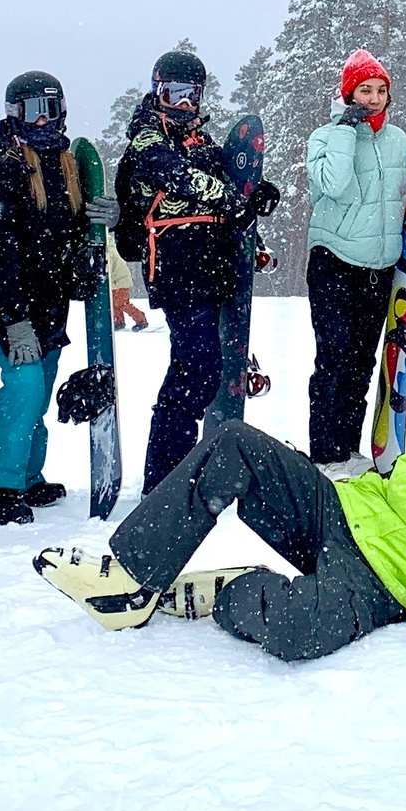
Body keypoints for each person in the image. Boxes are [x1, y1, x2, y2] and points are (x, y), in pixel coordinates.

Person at [32, 347, 406, 660]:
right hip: (348, 510)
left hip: (391, 582)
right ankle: (134, 577)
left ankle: (238, 590)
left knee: (294, 630)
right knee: (234, 442)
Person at [116, 50, 277, 489]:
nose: (184, 104)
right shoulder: (147, 139)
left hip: (212, 264)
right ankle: (165, 473)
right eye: (175, 93)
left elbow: (226, 180)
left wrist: (255, 192)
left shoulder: (201, 142)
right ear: (157, 90)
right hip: (176, 267)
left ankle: (173, 467)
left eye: (192, 95)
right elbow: (183, 178)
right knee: (199, 366)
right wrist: (232, 201)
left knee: (196, 365)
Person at [0, 71, 112, 524]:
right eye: (33, 110)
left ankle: (28, 477)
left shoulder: (67, 168)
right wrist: (13, 318)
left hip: (50, 310)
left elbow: (68, 244)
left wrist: (106, 219)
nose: (43, 120)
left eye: (50, 109)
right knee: (24, 389)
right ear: (14, 116)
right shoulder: (6, 171)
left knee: (39, 393)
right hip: (12, 310)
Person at [302, 49, 406, 467]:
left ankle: (349, 449)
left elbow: (403, 192)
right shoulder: (324, 136)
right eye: (364, 90)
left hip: (380, 266)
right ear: (349, 93)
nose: (373, 98)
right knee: (334, 356)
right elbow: (334, 184)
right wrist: (346, 131)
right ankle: (325, 453)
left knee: (363, 362)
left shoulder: (399, 139)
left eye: (381, 90)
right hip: (335, 259)